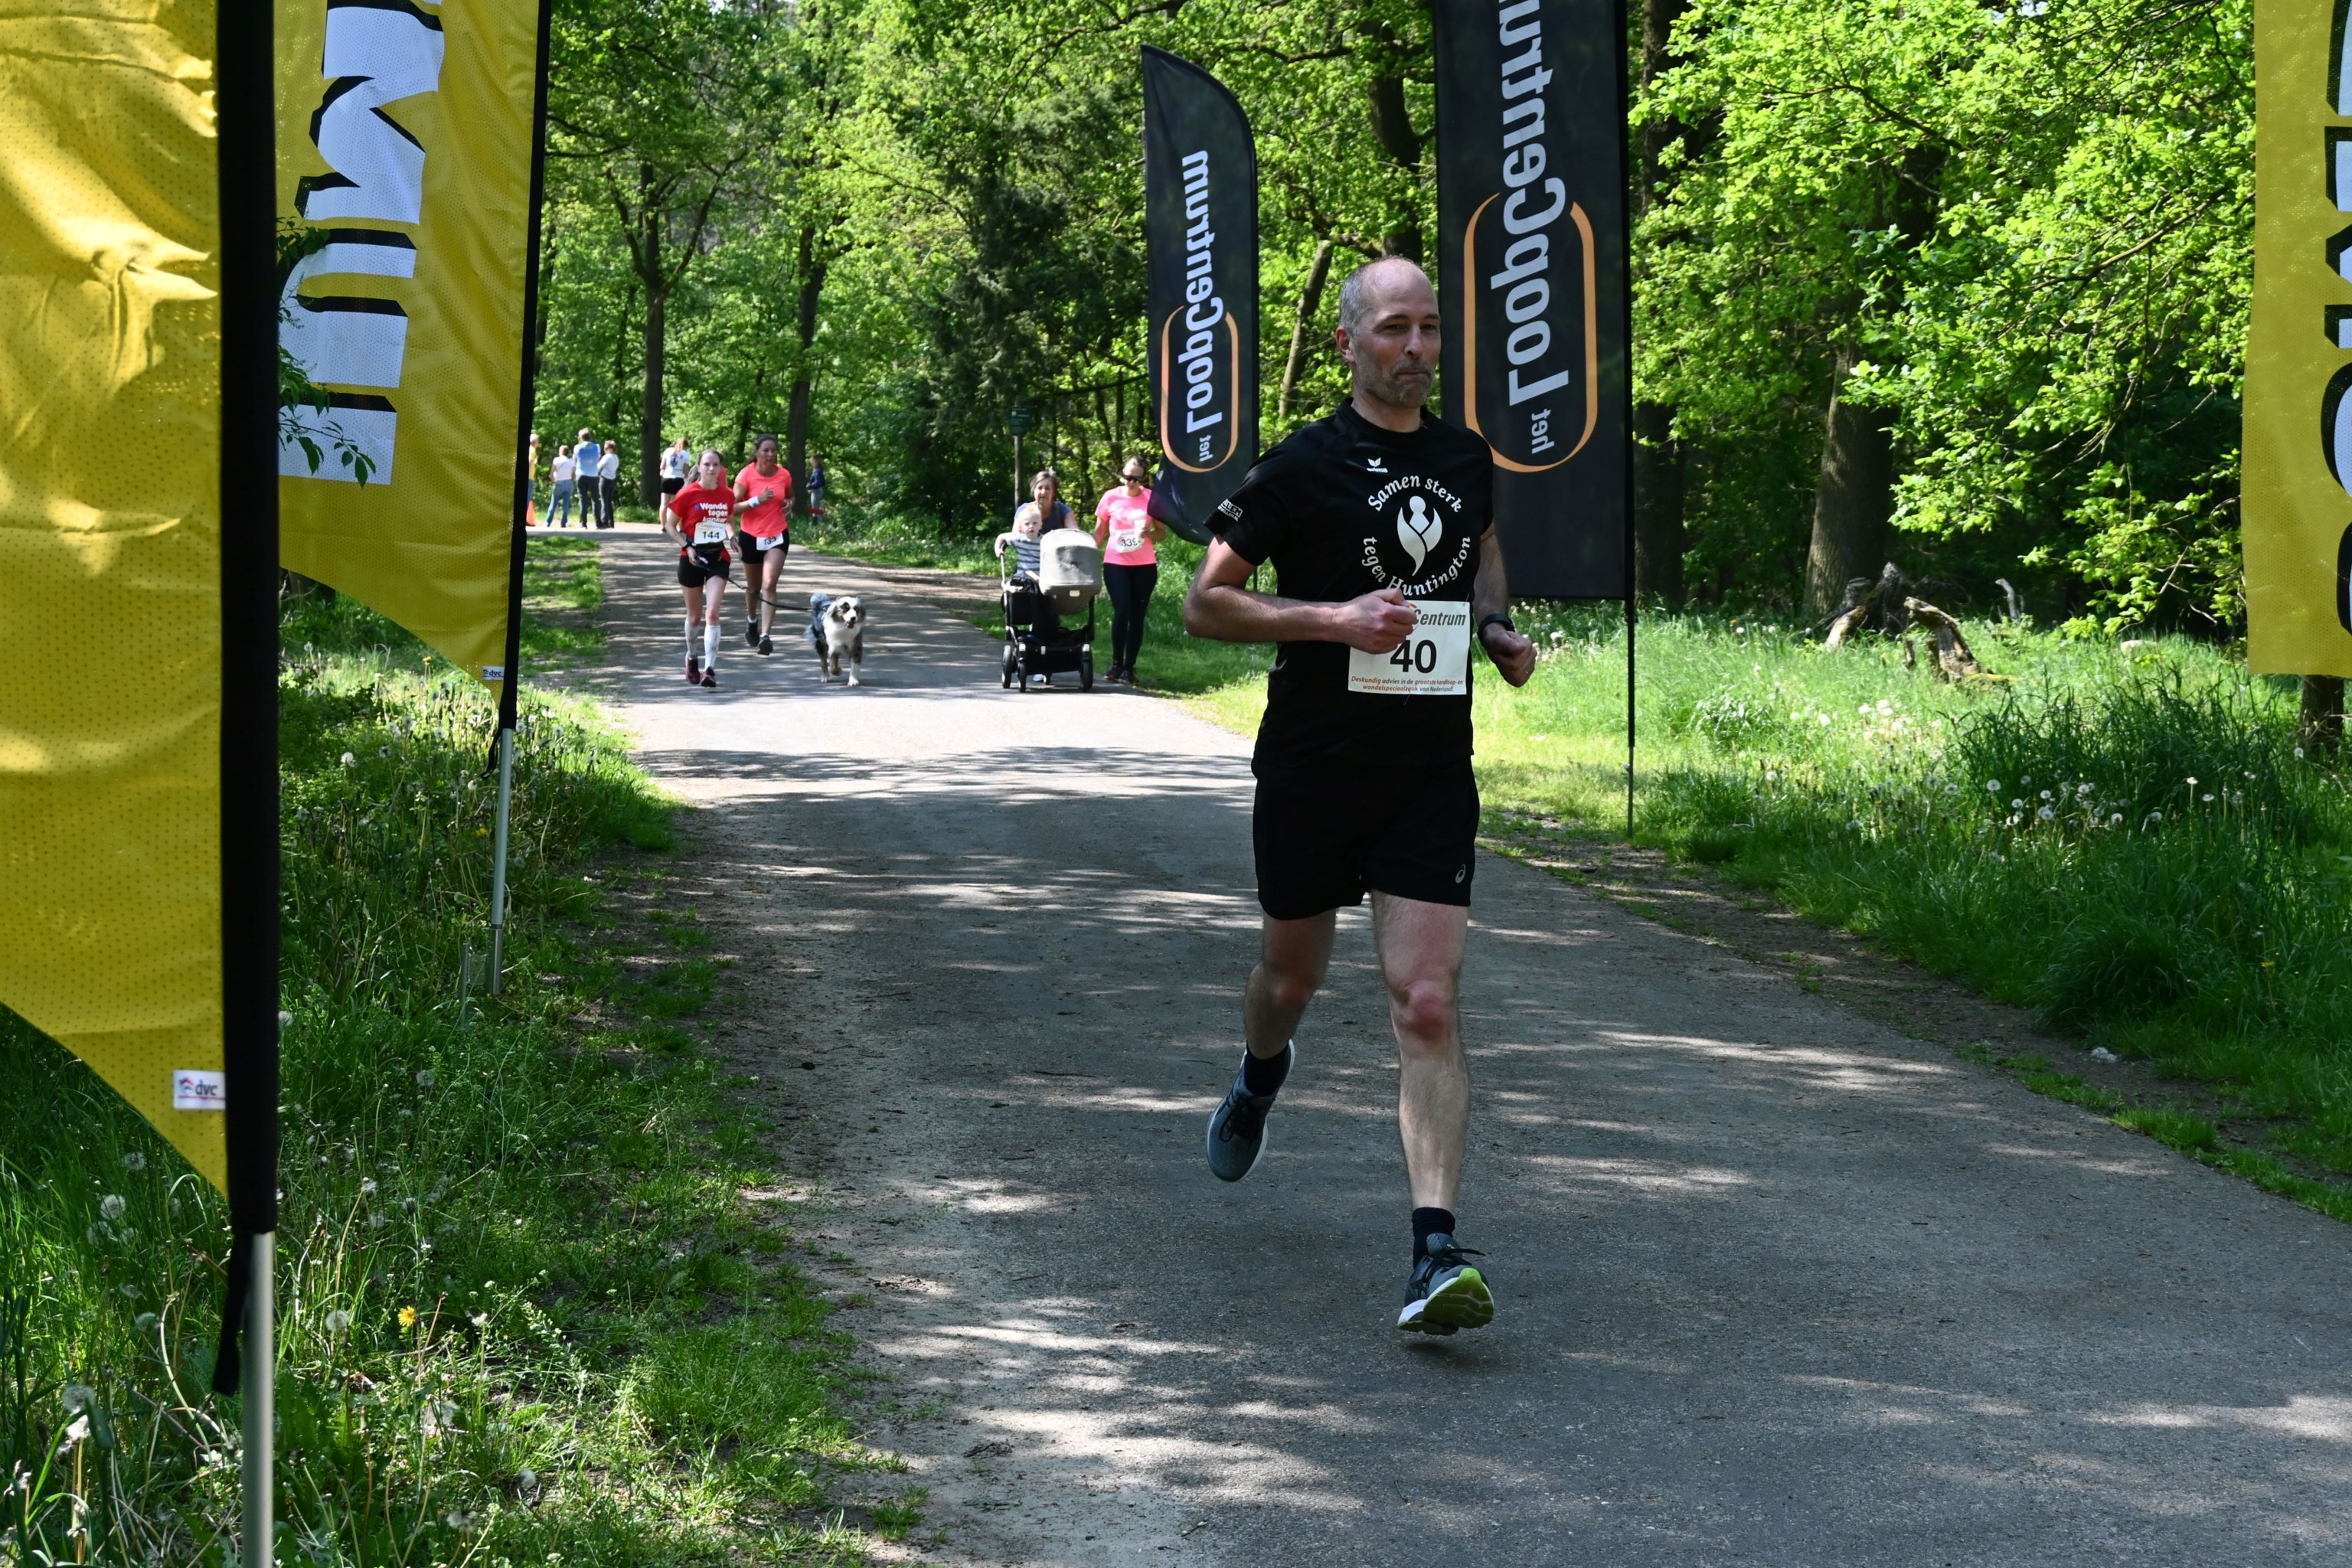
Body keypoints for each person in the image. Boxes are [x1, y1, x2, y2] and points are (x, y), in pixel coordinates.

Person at [1180, 256, 1537, 1337]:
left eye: (1430, 328)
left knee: (1426, 1001)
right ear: (1348, 343)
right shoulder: (1301, 466)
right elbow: (1207, 604)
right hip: (1313, 766)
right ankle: (1259, 1075)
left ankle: (1436, 1251)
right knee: (1289, 981)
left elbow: (1481, 550)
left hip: (1427, 772)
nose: (1417, 349)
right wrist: (1334, 621)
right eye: (1394, 329)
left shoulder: (1464, 456)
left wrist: (1493, 626)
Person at [662, 448, 738, 689]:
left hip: (718, 558)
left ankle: (710, 670)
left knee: (712, 613)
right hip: (692, 558)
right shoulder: (687, 493)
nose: (712, 469)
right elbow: (670, 525)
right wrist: (687, 546)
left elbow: (728, 520)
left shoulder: (727, 494)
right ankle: (692, 657)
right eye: (707, 464)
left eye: (716, 465)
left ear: (721, 468)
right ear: (700, 467)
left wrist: (732, 537)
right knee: (694, 617)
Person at [1093, 456, 1166, 685]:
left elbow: (1162, 533)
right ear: (1122, 474)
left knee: (1137, 617)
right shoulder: (1110, 497)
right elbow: (1099, 533)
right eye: (1127, 477)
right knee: (1122, 609)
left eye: (1136, 479)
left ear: (1143, 479)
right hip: (1116, 563)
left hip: (1144, 566)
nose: (1131, 482)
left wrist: (1149, 534)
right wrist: (1086, 556)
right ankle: (1116, 664)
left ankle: (1129, 668)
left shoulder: (1151, 498)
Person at [734, 434, 794, 654]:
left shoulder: (784, 475)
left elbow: (791, 496)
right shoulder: (746, 475)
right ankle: (752, 620)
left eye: (774, 450)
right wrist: (756, 500)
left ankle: (766, 636)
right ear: (756, 452)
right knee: (753, 587)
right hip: (750, 536)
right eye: (766, 450)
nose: (770, 454)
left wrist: (790, 503)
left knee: (769, 584)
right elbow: (732, 508)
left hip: (777, 535)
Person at [549, 444, 577, 528]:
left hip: (559, 482)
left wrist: (554, 481)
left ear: (560, 452)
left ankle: (548, 522)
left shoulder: (556, 460)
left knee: (553, 504)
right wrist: (572, 480)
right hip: (569, 483)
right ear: (568, 453)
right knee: (566, 505)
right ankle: (563, 523)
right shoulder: (571, 462)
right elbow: (575, 475)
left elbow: (551, 474)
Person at [596, 440, 620, 528]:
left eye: (606, 448)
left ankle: (604, 522)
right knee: (609, 501)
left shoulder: (607, 457)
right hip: (613, 479)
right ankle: (611, 522)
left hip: (605, 479)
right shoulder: (616, 457)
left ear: (611, 448)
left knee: (604, 501)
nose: (604, 449)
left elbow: (598, 467)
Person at [661, 436, 692, 505]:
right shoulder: (685, 454)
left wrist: (663, 474)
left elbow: (662, 467)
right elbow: (686, 471)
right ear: (685, 446)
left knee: (664, 503)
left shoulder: (668, 451)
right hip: (678, 479)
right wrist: (687, 479)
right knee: (673, 503)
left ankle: (663, 512)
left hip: (666, 478)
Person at [807, 453, 829, 518]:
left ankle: (818, 521)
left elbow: (817, 482)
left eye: (812, 462)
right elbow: (823, 482)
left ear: (816, 461)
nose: (812, 464)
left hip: (816, 491)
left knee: (815, 508)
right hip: (817, 490)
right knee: (817, 507)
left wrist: (810, 486)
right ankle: (819, 520)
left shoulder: (818, 471)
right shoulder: (817, 470)